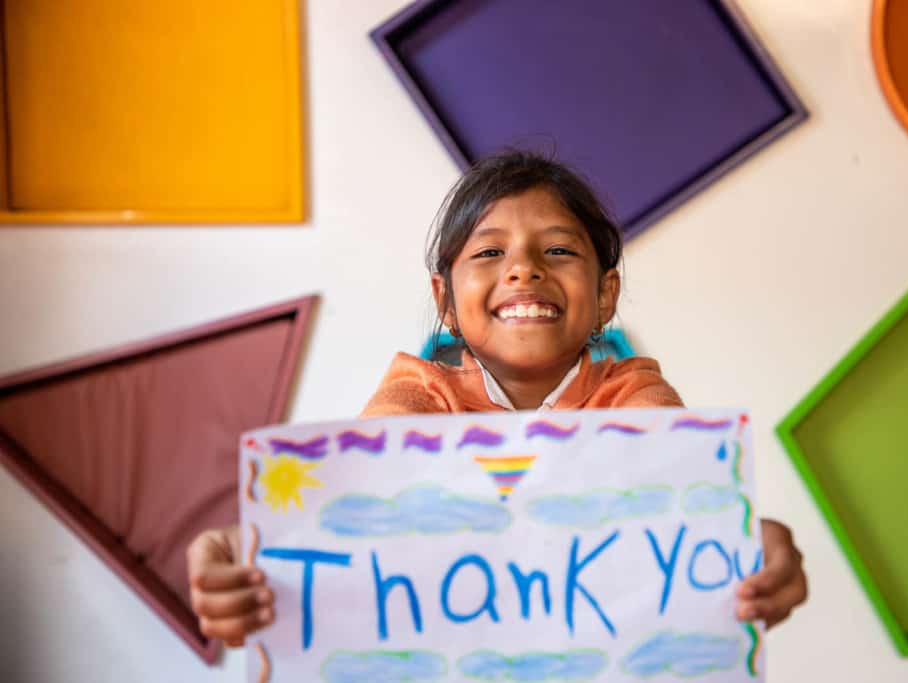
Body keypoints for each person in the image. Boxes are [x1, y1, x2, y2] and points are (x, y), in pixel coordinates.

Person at [187, 150, 808, 648]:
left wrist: (754, 539)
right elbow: (347, 504)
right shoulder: (416, 395)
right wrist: (243, 551)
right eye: (489, 252)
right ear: (445, 303)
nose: (524, 269)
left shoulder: (635, 396)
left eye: (559, 250)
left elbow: (689, 507)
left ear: (606, 294)